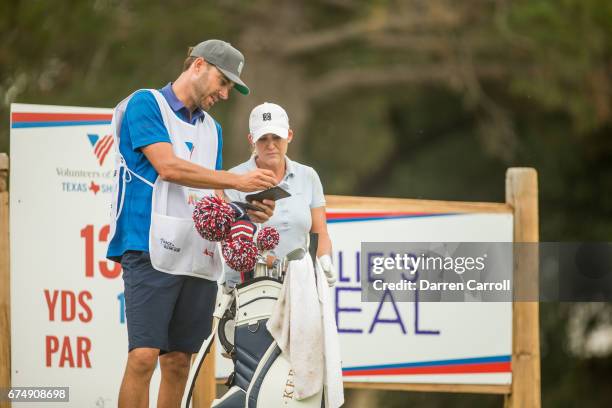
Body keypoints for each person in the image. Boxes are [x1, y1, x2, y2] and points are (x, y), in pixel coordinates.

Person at [106, 39, 277, 408]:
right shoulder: (145, 104)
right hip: (147, 244)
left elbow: (208, 195)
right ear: (198, 65)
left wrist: (246, 212)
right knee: (143, 357)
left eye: (230, 87)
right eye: (223, 81)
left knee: (179, 362)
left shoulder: (212, 129)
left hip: (195, 254)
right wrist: (238, 181)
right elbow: (168, 167)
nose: (225, 93)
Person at [223, 102, 336, 290]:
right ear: (251, 139)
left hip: (300, 286)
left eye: (277, 137)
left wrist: (323, 259)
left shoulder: (308, 176)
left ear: (289, 135)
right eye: (263, 139)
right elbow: (229, 243)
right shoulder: (234, 178)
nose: (271, 145)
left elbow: (320, 232)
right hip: (248, 289)